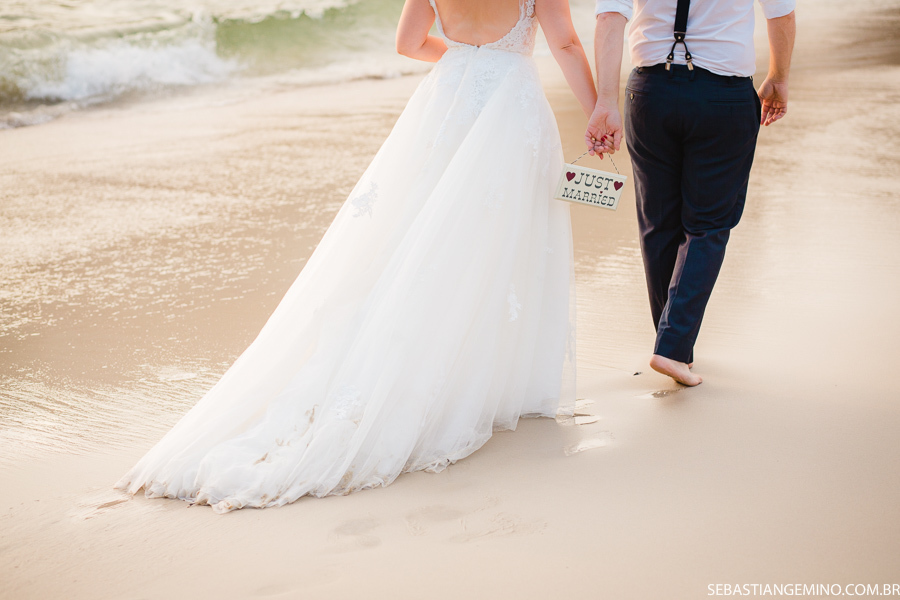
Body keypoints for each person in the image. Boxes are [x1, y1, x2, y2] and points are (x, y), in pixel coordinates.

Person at [114, 0, 598, 513]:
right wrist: (598, 111)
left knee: (420, 240)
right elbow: (565, 43)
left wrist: (463, 59)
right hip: (510, 105)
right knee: (496, 239)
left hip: (448, 99)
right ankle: (491, 385)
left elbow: (409, 43)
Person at [587, 0, 796, 386]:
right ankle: (672, 347)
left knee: (657, 224)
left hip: (650, 93)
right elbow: (780, 13)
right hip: (723, 97)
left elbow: (609, 18)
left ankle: (672, 345)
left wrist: (605, 100)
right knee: (708, 225)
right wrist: (778, 76)